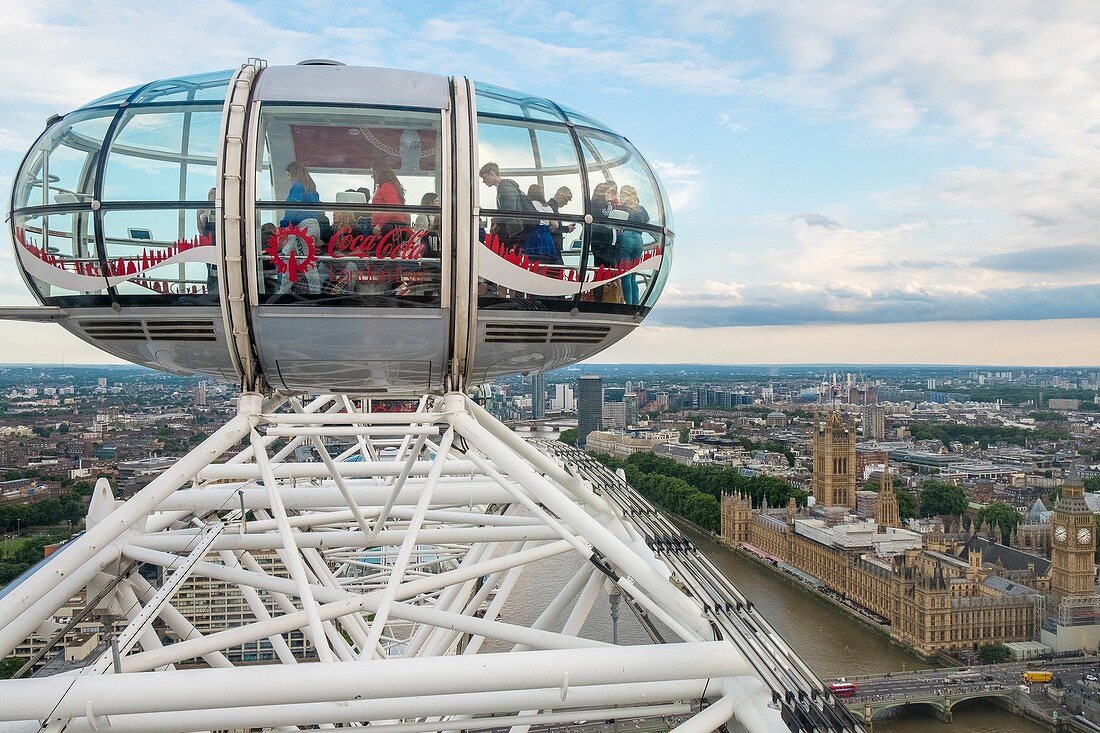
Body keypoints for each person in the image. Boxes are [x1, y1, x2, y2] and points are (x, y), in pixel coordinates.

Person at [478, 162, 534, 247]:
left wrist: (498, 224)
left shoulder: (504, 186)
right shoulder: (507, 186)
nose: (483, 181)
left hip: (513, 231)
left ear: (492, 173)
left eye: (485, 177)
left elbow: (509, 208)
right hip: (515, 229)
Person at [615, 184, 650, 305]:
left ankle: (628, 305)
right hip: (639, 241)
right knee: (633, 276)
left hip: (626, 238)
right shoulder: (641, 209)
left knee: (626, 275)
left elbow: (617, 226)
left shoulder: (622, 208)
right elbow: (648, 225)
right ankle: (635, 304)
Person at [523, 185, 561, 265]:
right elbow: (555, 225)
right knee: (548, 265)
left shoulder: (528, 205)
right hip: (546, 237)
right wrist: (547, 230)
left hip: (533, 236)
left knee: (534, 265)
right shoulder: (547, 207)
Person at [370, 162, 409, 231]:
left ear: (378, 173)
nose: (371, 176)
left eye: (372, 173)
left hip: (389, 228)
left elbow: (394, 207)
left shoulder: (387, 186)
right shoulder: (387, 186)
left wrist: (379, 225)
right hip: (389, 227)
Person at [280, 161, 320, 227]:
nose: (288, 178)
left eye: (288, 175)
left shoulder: (297, 187)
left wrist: (283, 226)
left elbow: (292, 209)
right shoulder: (313, 190)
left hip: (303, 226)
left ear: (294, 174)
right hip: (315, 225)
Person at [545, 186, 576, 258]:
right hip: (553, 245)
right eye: (566, 200)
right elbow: (553, 228)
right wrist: (567, 229)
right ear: (560, 196)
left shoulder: (550, 207)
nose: (566, 203)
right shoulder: (551, 208)